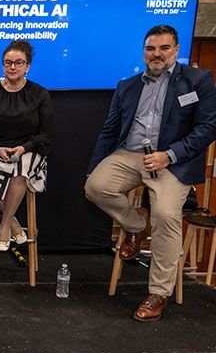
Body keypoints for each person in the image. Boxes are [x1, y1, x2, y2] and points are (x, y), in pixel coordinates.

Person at [85, 25, 216, 322]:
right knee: (95, 186)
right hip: (131, 155)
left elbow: (208, 127)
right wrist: (94, 167)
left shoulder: (198, 81)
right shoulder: (127, 86)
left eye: (163, 48)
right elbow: (109, 130)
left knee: (167, 214)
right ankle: (134, 225)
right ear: (144, 52)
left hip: (172, 159)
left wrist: (169, 155)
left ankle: (158, 293)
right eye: (151, 49)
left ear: (176, 50)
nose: (157, 54)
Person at [0, 39, 52, 251]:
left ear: (28, 66)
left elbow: (45, 133)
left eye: (18, 62)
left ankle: (4, 225)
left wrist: (23, 148)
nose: (12, 67)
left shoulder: (40, 95)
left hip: (29, 149)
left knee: (20, 169)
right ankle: (14, 223)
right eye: (8, 63)